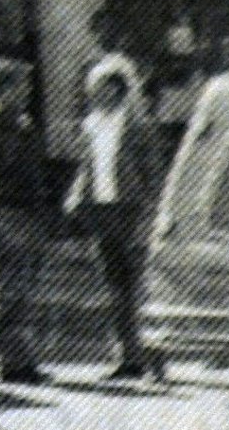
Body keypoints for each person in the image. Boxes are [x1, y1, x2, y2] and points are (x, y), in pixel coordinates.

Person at [65, 62, 165, 382]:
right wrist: (76, 196)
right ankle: (127, 356)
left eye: (104, 88)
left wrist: (149, 215)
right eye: (94, 89)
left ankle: (153, 356)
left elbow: (153, 174)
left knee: (139, 287)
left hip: (130, 211)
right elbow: (87, 166)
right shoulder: (92, 125)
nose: (97, 95)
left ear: (119, 90)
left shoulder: (137, 125)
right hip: (102, 211)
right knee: (114, 288)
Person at [0, 58, 54, 385]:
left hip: (22, 210)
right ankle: (13, 362)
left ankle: (23, 358)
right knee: (10, 288)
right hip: (6, 209)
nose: (26, 92)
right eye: (21, 85)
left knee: (23, 288)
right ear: (4, 87)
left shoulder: (15, 119)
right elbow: (5, 169)